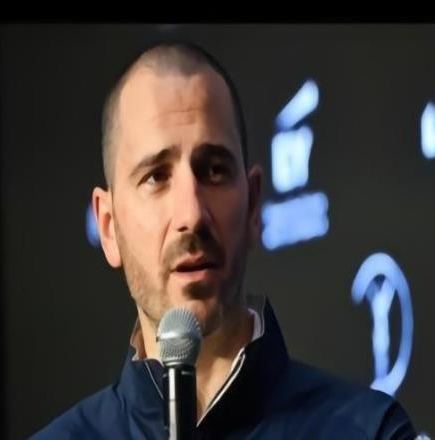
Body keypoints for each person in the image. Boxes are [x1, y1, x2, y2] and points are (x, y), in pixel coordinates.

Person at [31, 41, 416, 439]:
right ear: (109, 227)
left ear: (253, 206)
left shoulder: (372, 431)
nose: (191, 214)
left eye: (214, 170)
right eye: (156, 177)